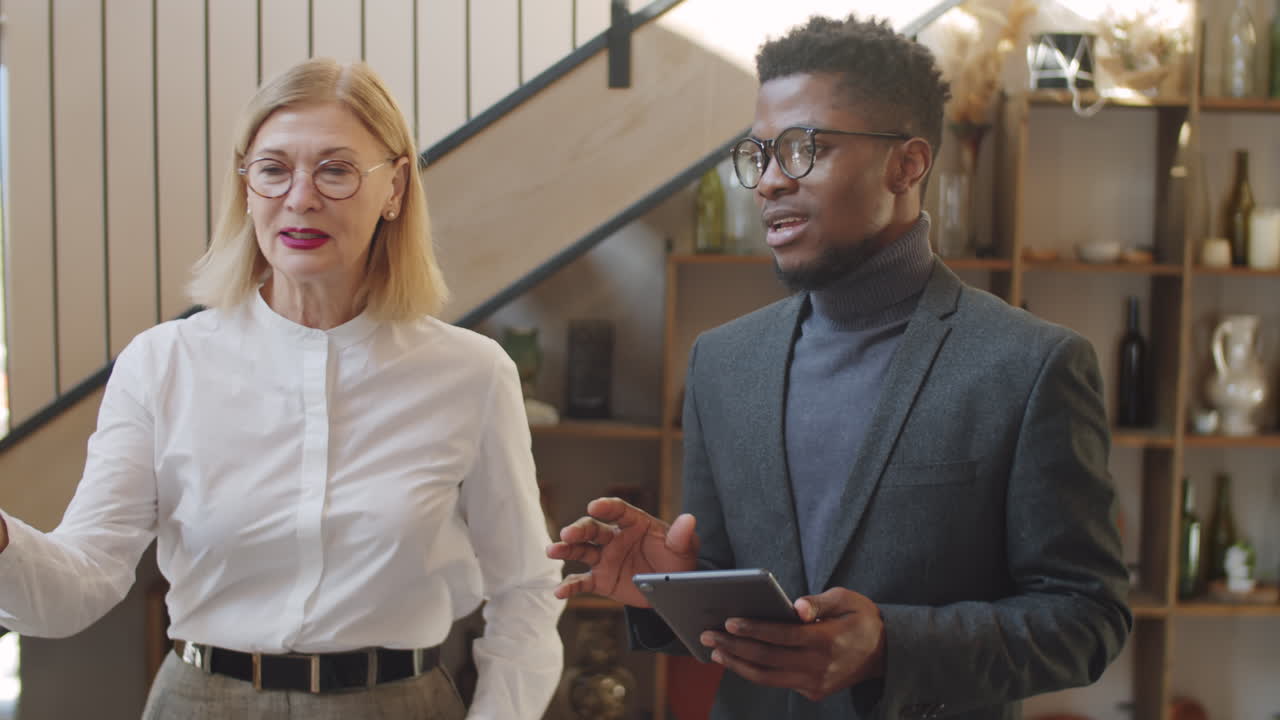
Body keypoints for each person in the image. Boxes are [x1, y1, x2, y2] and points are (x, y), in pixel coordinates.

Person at [548, 14, 1131, 720]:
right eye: (758, 155)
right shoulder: (722, 363)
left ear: (906, 164)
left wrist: (890, 644)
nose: (767, 183)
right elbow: (737, 609)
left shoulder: (1031, 365)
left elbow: (1088, 619)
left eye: (802, 150)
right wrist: (675, 589)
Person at [0, 58, 564, 719]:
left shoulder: (471, 372)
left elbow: (527, 592)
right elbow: (79, 586)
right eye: (273, 170)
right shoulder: (163, 364)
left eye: (335, 169)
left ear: (395, 188)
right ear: (245, 188)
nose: (300, 198)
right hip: (201, 702)